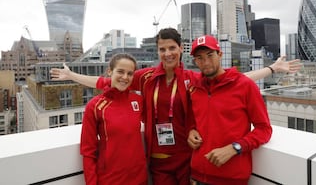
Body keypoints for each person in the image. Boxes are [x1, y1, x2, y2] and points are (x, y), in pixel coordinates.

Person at [50, 28, 301, 185]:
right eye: (162, 49)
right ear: (158, 52)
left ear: (181, 50)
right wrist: (73, 76)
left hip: (187, 159)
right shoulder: (146, 77)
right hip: (157, 162)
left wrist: (271, 69)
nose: (167, 53)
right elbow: (109, 81)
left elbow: (236, 81)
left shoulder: (193, 79)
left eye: (172, 48)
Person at [187, 35, 272, 185]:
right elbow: (193, 119)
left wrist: (235, 147)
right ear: (195, 61)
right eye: (199, 58)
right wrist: (191, 130)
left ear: (220, 54)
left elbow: (264, 129)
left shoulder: (244, 85)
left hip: (231, 178)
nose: (205, 62)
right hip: (197, 175)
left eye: (210, 55)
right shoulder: (194, 88)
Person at [80, 53, 147, 185]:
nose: (125, 77)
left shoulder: (138, 101)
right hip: (111, 180)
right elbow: (88, 151)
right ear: (109, 71)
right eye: (120, 72)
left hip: (139, 178)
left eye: (130, 73)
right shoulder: (95, 106)